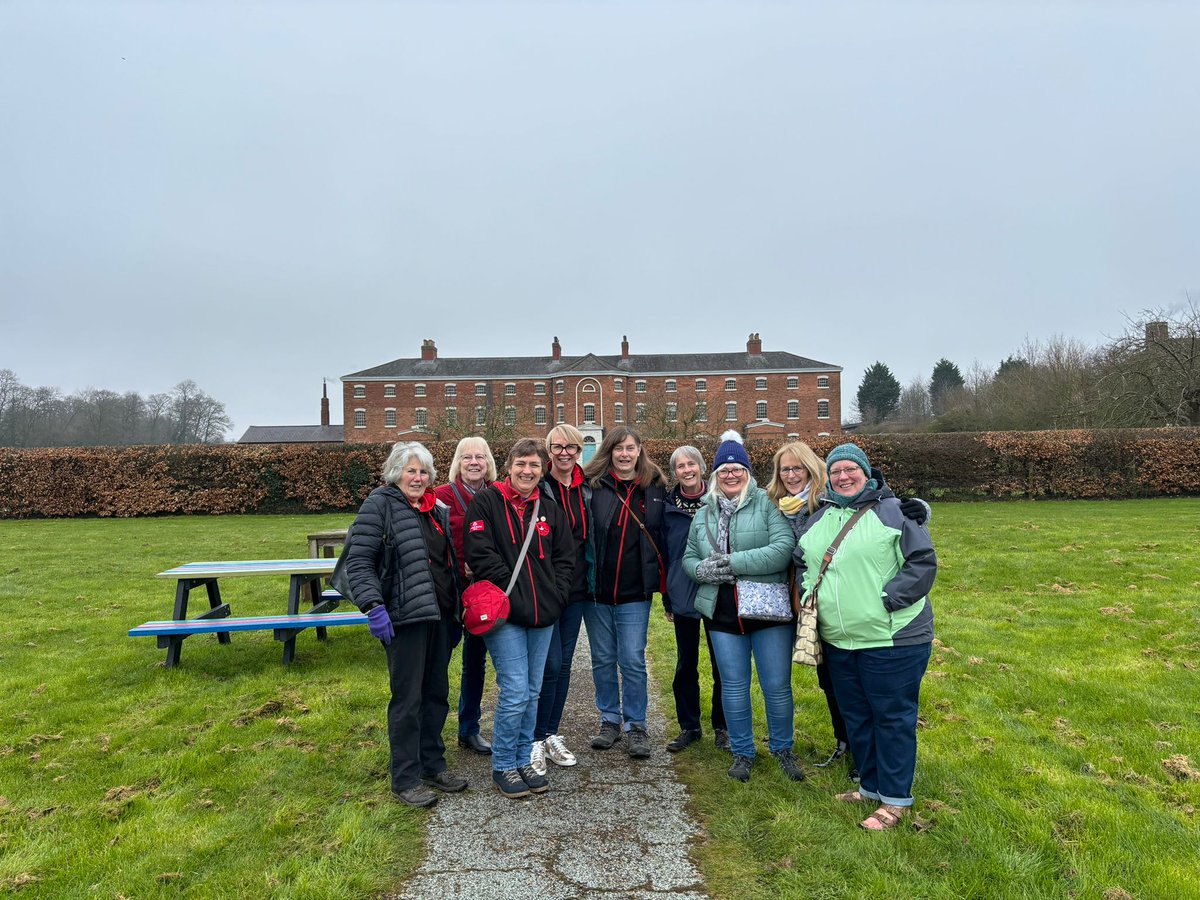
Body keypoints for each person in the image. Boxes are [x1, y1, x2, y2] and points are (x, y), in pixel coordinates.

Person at [767, 442, 932, 780]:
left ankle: (882, 782)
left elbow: (911, 542)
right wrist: (810, 594)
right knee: (842, 694)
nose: (791, 474)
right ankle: (855, 755)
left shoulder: (832, 500)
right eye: (785, 469)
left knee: (883, 708)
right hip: (824, 618)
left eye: (798, 467)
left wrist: (888, 599)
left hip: (879, 624)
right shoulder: (777, 505)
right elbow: (802, 558)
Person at [342, 442, 469, 808]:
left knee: (435, 694)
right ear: (395, 473)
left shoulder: (434, 509)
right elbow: (360, 561)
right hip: (404, 618)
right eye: (411, 470)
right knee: (408, 699)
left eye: (424, 471)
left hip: (440, 616)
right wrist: (373, 607)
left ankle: (433, 764)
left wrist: (457, 607)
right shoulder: (379, 504)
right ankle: (405, 778)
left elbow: (445, 562)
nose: (418, 477)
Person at [683, 431, 804, 783]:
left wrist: (734, 562)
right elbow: (689, 557)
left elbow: (783, 549)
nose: (730, 475)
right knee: (734, 685)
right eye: (724, 470)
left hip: (767, 608)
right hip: (721, 610)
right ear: (715, 476)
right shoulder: (703, 512)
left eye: (737, 469)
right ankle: (742, 752)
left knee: (776, 685)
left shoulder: (768, 504)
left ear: (748, 473)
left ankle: (783, 748)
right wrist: (702, 569)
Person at [464, 438, 574, 799]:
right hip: (506, 612)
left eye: (534, 466)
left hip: (543, 614)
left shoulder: (549, 507)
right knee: (513, 691)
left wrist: (555, 596)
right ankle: (503, 765)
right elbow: (480, 553)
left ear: (542, 471)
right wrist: (516, 596)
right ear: (508, 466)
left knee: (532, 689)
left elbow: (564, 558)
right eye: (521, 464)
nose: (527, 471)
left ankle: (525, 756)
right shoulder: (486, 502)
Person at [582, 425, 667, 760]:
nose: (624, 454)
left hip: (635, 591)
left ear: (639, 450)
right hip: (598, 592)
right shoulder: (592, 487)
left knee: (632, 659)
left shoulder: (655, 487)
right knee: (602, 659)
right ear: (609, 451)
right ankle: (609, 719)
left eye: (630, 448)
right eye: (618, 448)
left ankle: (636, 724)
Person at [529, 425, 593, 776]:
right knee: (548, 664)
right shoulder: (539, 487)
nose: (565, 453)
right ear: (548, 450)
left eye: (571, 446)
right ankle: (534, 738)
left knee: (564, 663)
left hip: (578, 588)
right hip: (545, 589)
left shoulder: (588, 487)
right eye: (558, 447)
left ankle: (550, 733)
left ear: (579, 449)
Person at [661, 444, 728, 753]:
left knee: (722, 663)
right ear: (674, 472)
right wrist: (667, 598)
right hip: (682, 589)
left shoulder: (720, 500)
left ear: (702, 467)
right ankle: (689, 726)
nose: (686, 470)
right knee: (686, 662)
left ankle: (722, 726)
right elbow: (663, 552)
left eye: (691, 464)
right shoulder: (667, 505)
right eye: (680, 466)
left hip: (718, 590)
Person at [433, 436, 497, 756]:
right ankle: (430, 733)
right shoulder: (440, 497)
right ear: (457, 463)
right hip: (447, 593)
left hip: (483, 594)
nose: (474, 462)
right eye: (467, 457)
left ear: (489, 463)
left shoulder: (497, 496)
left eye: (480, 457)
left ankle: (468, 728)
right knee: (437, 663)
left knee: (476, 662)